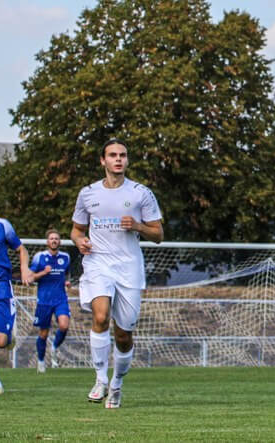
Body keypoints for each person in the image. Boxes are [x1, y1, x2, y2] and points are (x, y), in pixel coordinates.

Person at [71, 138, 164, 408]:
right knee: (100, 317)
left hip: (129, 267)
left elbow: (158, 234)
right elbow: (77, 230)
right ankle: (100, 379)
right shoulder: (87, 193)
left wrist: (138, 226)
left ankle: (117, 383)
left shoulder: (140, 193)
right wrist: (79, 241)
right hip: (98, 263)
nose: (118, 159)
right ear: (103, 161)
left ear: (127, 160)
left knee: (123, 335)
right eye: (112, 155)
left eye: (122, 155)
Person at [0, 216, 34, 395]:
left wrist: (25, 268)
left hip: (1, 286)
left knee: (1, 341)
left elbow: (21, 249)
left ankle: (9, 334)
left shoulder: (2, 225)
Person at [30, 228, 71, 372]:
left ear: (59, 241)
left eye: (56, 238)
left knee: (64, 325)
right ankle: (41, 361)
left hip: (60, 299)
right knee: (43, 333)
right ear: (47, 242)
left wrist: (66, 282)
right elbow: (30, 278)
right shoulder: (39, 257)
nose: (54, 240)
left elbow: (66, 275)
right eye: (51, 238)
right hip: (44, 301)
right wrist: (43, 272)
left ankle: (54, 347)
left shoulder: (65, 257)